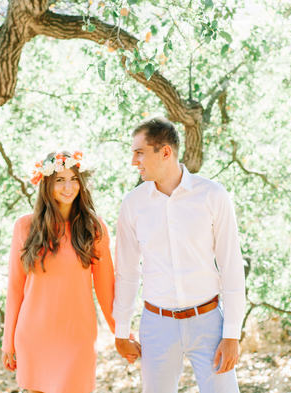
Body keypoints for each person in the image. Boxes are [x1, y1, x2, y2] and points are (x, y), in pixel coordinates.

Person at [113, 118, 246, 393]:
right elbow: (126, 272)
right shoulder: (133, 204)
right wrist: (121, 330)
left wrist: (232, 334)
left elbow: (232, 266)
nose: (133, 161)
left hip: (208, 321)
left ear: (165, 152)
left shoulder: (212, 195)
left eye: (139, 152)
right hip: (157, 325)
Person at [1, 151, 120, 393]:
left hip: (77, 337)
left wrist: (122, 333)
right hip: (35, 335)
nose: (68, 187)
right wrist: (8, 340)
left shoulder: (94, 228)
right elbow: (15, 287)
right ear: (46, 184)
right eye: (59, 180)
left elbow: (106, 290)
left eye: (74, 179)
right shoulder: (25, 226)